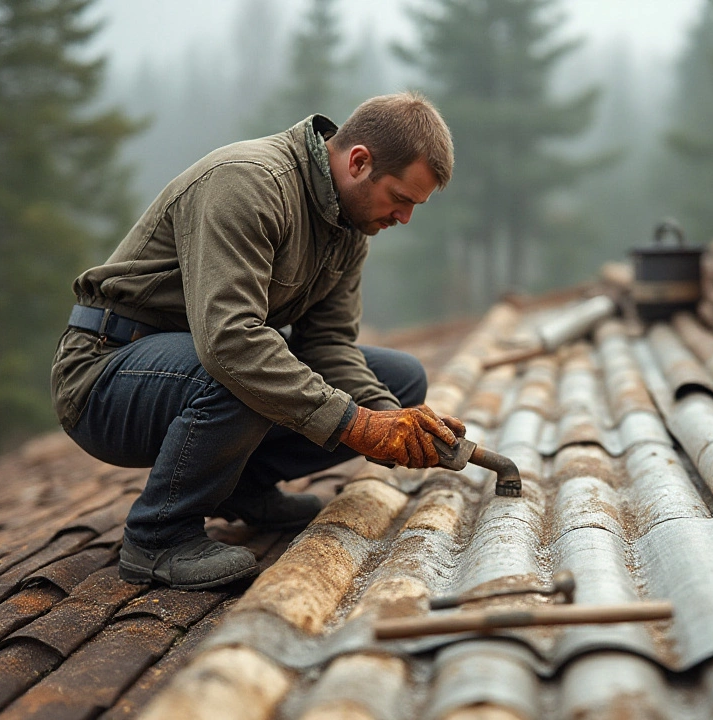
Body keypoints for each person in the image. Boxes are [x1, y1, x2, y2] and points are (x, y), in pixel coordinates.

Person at [51, 92, 465, 590]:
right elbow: (231, 344)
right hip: (106, 373)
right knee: (245, 368)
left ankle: (240, 486)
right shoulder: (249, 183)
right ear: (359, 162)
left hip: (195, 364)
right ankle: (158, 536)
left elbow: (328, 345)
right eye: (400, 199)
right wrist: (356, 424)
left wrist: (390, 419)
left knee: (400, 381)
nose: (404, 219)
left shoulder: (351, 226)